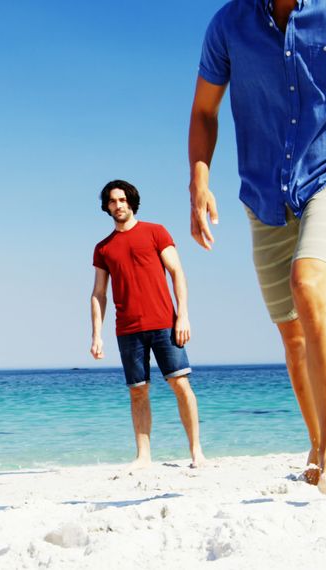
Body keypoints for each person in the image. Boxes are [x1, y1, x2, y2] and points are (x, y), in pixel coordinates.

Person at [187, 0, 326, 496]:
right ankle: (316, 443)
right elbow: (205, 110)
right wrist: (198, 182)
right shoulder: (228, 24)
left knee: (309, 285)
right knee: (291, 332)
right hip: (264, 192)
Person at [90, 180, 207, 470]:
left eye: (123, 199)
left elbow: (177, 272)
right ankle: (143, 456)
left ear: (131, 202)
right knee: (137, 390)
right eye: (113, 201)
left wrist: (183, 315)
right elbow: (99, 293)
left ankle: (196, 452)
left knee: (180, 383)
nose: (118, 205)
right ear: (106, 206)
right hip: (127, 329)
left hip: (165, 324)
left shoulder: (155, 232)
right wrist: (97, 335)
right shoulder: (103, 248)